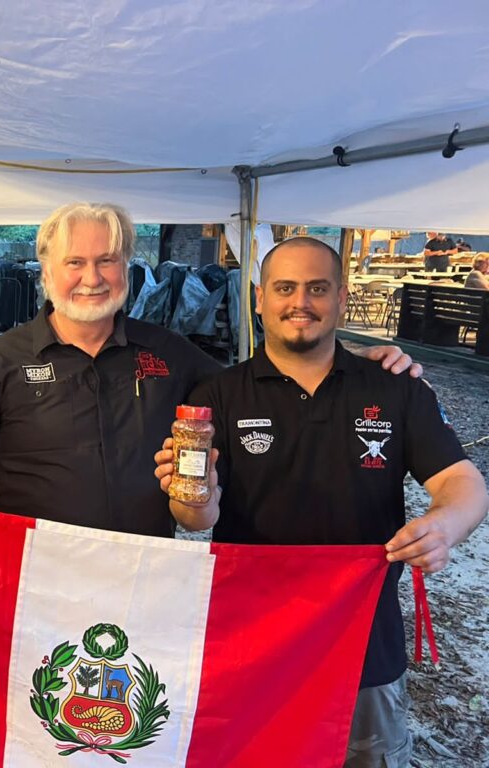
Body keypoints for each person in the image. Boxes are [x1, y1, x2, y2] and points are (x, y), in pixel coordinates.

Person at [0, 203, 421, 539]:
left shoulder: (171, 353)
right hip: (30, 572)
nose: (92, 276)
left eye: (107, 259)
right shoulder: (1, 360)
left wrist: (350, 355)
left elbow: (264, 379)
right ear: (47, 272)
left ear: (126, 266)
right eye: (75, 262)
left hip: (141, 573)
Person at [154, 237, 488, 767]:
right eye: (285, 288)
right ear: (259, 298)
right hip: (251, 637)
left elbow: (463, 483)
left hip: (363, 639)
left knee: (367, 758)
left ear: (341, 297)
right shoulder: (218, 395)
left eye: (317, 288)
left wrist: (444, 527)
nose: (300, 302)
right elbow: (196, 518)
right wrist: (193, 497)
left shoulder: (395, 385)